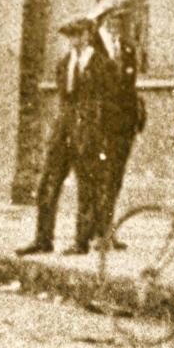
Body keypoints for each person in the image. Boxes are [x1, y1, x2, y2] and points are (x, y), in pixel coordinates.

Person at [21, 16, 103, 256]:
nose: (73, 40)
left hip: (87, 131)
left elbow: (107, 101)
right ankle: (43, 238)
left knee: (86, 186)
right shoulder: (64, 63)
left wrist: (96, 130)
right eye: (70, 35)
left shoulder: (101, 65)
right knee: (48, 182)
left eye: (78, 34)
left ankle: (81, 241)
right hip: (63, 130)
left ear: (88, 35)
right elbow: (65, 98)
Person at [86, 0, 146, 249]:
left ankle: (106, 230)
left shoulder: (128, 49)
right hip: (99, 121)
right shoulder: (91, 47)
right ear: (103, 18)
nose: (119, 23)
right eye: (114, 18)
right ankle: (94, 230)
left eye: (122, 18)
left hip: (123, 123)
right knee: (99, 175)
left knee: (115, 177)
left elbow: (129, 87)